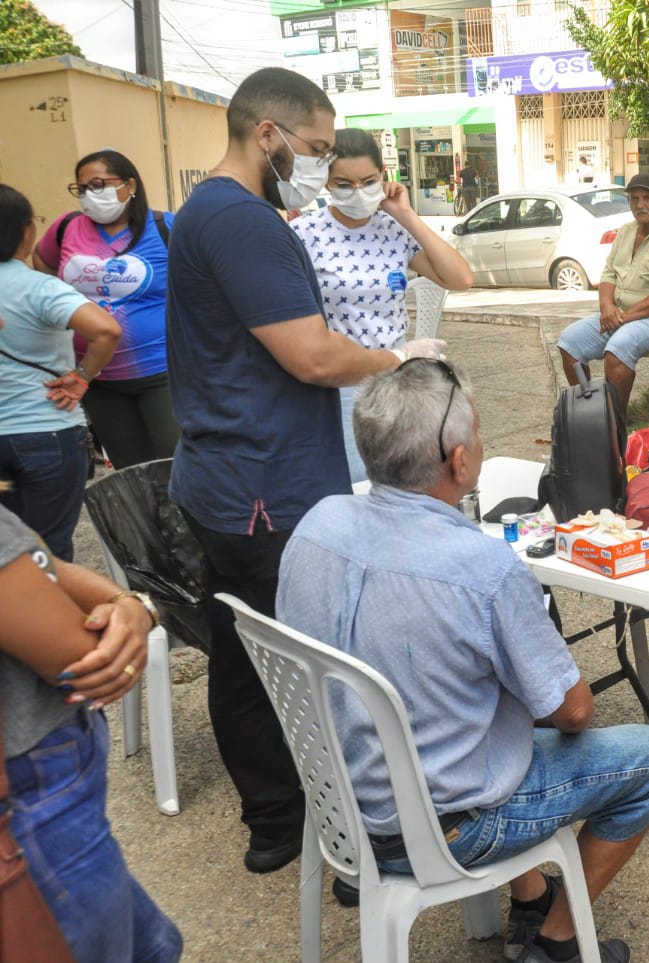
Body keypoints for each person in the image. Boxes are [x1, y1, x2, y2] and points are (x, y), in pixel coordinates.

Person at [277, 360, 649, 963]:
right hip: (447, 829)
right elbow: (574, 711)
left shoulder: (316, 523)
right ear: (459, 461)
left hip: (338, 803)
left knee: (478, 712)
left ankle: (531, 896)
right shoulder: (483, 570)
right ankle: (560, 943)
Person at [165, 67, 445, 875]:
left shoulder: (205, 213)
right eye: (316, 148)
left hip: (224, 475)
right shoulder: (244, 222)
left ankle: (274, 822)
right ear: (269, 134)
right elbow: (313, 355)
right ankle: (349, 841)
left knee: (241, 648)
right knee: (314, 662)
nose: (319, 164)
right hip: (265, 486)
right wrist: (402, 355)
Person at [0, 491, 180, 962]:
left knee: (156, 946)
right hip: (34, 799)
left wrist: (131, 604)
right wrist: (129, 615)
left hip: (44, 791)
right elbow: (84, 658)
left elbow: (42, 565)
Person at [292, 128, 474, 483]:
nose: (357, 192)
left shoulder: (394, 231)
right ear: (327, 182)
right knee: (355, 485)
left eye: (368, 181)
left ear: (384, 178)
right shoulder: (305, 235)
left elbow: (460, 279)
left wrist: (406, 216)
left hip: (396, 379)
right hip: (338, 384)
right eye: (344, 183)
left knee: (402, 483)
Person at [33, 149, 180, 469]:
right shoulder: (66, 228)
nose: (90, 194)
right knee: (131, 473)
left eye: (99, 184)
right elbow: (42, 262)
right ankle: (143, 523)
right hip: (96, 378)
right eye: (82, 188)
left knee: (175, 467)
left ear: (130, 185)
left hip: (162, 374)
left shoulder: (166, 227)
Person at [0, 184, 121, 561]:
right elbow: (106, 330)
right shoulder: (40, 288)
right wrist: (82, 376)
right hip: (47, 430)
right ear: (27, 232)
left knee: (7, 556)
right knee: (47, 552)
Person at [556, 172, 649, 411]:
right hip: (620, 314)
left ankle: (615, 420)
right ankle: (591, 412)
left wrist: (621, 319)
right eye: (634, 198)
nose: (640, 204)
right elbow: (608, 275)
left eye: (647, 198)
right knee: (569, 343)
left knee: (617, 350)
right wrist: (607, 307)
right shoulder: (626, 231)